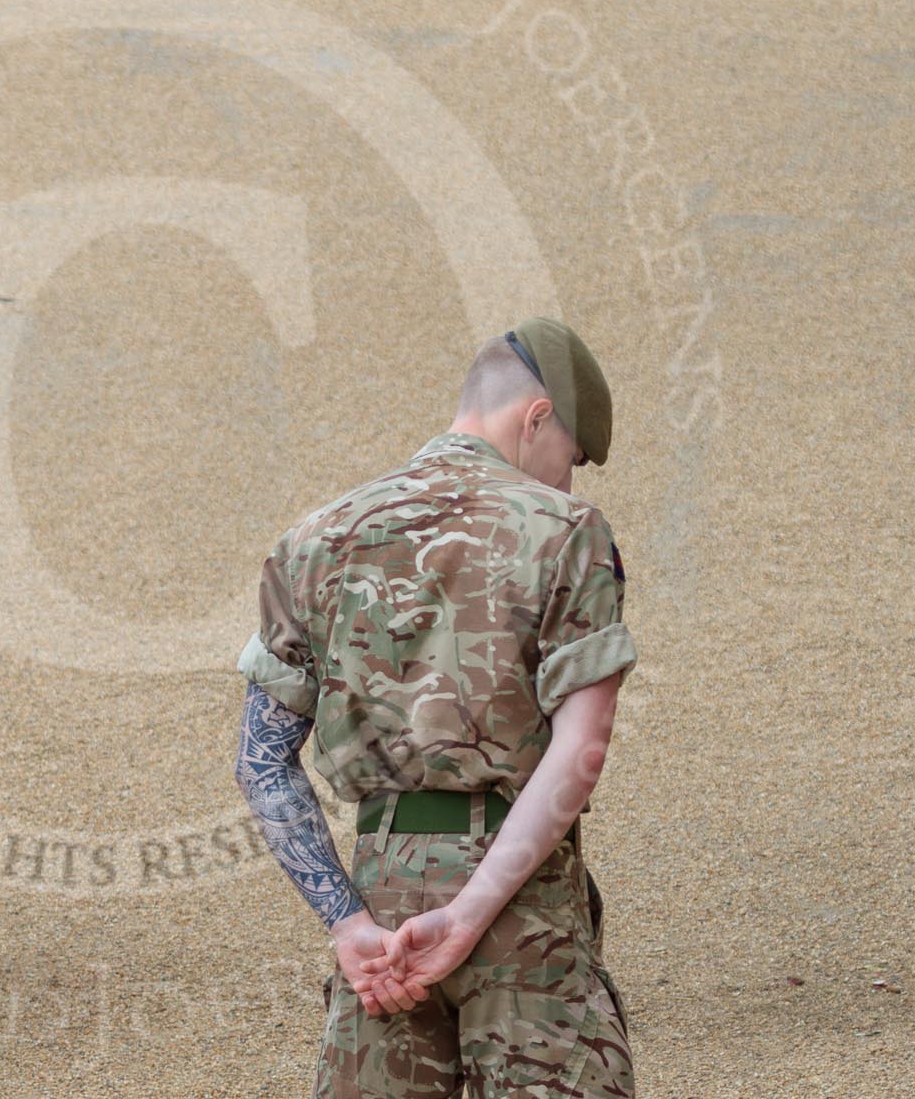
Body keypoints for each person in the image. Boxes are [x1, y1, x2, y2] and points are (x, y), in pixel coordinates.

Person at [235, 318, 638, 1098]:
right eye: (572, 458)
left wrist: (348, 925)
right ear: (536, 418)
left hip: (381, 905)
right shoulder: (565, 531)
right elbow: (582, 751)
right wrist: (469, 914)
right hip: (526, 903)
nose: (568, 482)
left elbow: (262, 762)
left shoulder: (316, 538)